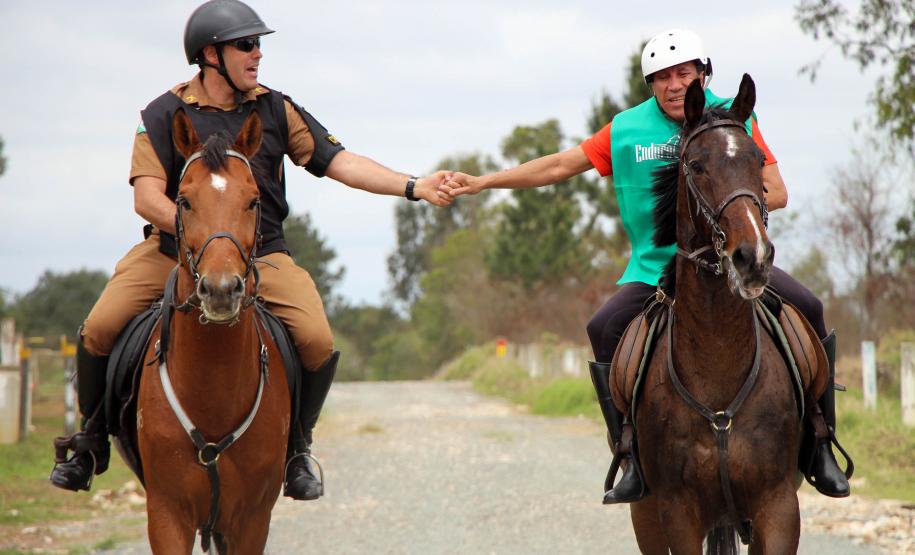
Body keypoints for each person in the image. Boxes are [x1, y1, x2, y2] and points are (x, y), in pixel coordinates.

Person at [49, 0, 452, 501]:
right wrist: (200, 229)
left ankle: (298, 448)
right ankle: (89, 442)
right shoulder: (161, 114)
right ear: (210, 55)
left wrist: (413, 185)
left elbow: (341, 162)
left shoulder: (275, 109)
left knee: (317, 339)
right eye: (246, 44)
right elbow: (146, 195)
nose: (257, 53)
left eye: (258, 43)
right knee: (99, 327)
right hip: (173, 253)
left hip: (262, 255)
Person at [443, 28, 850, 503]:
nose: (674, 85)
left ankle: (820, 445)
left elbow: (776, 192)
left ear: (702, 75)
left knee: (811, 306)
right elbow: (558, 166)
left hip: (731, 263)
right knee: (604, 327)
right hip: (655, 270)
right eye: (662, 78)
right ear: (650, 84)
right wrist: (483, 182)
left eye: (683, 74)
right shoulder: (625, 130)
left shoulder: (734, 118)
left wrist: (732, 207)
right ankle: (631, 453)